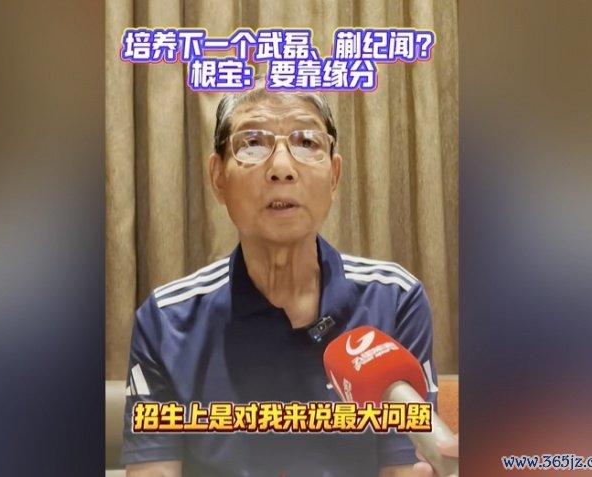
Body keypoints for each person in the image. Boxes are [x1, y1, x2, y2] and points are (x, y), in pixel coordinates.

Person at [122, 79, 440, 477]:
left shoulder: (394, 300)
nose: (282, 169)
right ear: (218, 177)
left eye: (306, 142)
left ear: (334, 176)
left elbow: (403, 465)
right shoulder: (166, 320)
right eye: (252, 144)